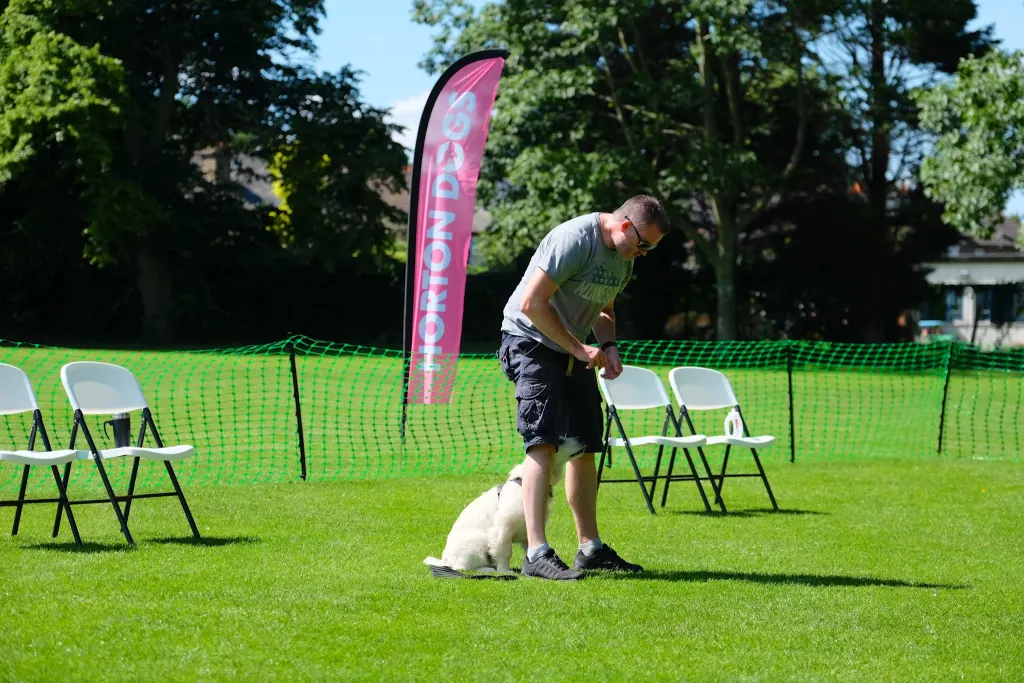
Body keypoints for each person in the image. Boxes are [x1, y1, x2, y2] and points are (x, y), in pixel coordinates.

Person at [497, 195, 670, 580]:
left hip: (572, 347)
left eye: (651, 249)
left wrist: (609, 346)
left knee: (585, 445)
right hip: (529, 341)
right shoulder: (575, 239)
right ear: (625, 226)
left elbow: (604, 310)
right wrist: (579, 348)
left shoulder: (623, 258)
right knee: (542, 442)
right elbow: (531, 303)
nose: (644, 253)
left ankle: (590, 549)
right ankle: (536, 553)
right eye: (643, 244)